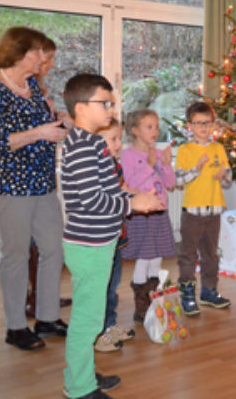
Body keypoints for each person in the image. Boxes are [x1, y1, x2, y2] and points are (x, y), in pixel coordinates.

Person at [60, 73, 162, 399]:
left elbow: (106, 189)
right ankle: (78, 387)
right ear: (80, 107)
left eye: (111, 102)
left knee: (92, 313)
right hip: (88, 244)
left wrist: (130, 195)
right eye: (103, 103)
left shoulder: (92, 143)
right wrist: (134, 203)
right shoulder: (79, 147)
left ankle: (84, 373)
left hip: (99, 241)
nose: (109, 108)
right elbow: (92, 200)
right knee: (87, 321)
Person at [0, 26, 68, 350]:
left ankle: (47, 316)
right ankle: (15, 327)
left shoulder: (34, 86)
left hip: (43, 183)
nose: (43, 58)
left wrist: (60, 123)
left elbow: (46, 124)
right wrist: (40, 132)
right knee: (15, 255)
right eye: (38, 52)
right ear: (19, 53)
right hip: (12, 187)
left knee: (53, 249)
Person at [26, 35, 72, 319]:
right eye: (49, 59)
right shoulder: (20, 91)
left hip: (43, 176)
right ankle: (33, 299)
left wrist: (63, 118)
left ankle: (45, 297)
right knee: (33, 245)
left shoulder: (40, 90)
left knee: (47, 244)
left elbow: (49, 125)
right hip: (27, 179)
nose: (52, 64)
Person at [174, 102, 233, 315]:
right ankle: (187, 294)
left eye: (207, 123)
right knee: (188, 255)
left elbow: (228, 179)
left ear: (212, 124)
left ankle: (209, 291)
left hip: (214, 210)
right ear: (189, 125)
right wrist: (197, 169)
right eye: (198, 123)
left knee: (210, 254)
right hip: (192, 211)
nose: (203, 128)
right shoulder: (185, 149)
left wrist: (224, 175)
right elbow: (178, 179)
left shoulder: (218, 148)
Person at [120, 109, 177, 323]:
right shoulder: (128, 155)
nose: (154, 131)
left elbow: (170, 184)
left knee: (157, 257)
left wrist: (167, 164)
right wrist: (150, 164)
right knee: (144, 257)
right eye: (149, 126)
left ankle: (153, 298)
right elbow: (130, 185)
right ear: (135, 131)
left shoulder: (158, 152)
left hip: (159, 212)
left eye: (156, 126)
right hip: (141, 215)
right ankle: (140, 303)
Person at [94, 119, 135, 353]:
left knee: (112, 286)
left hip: (116, 236)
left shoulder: (114, 165)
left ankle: (109, 326)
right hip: (102, 238)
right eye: (113, 139)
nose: (119, 144)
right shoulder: (96, 167)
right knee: (101, 288)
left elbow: (121, 192)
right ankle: (98, 333)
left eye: (120, 138)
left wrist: (134, 194)